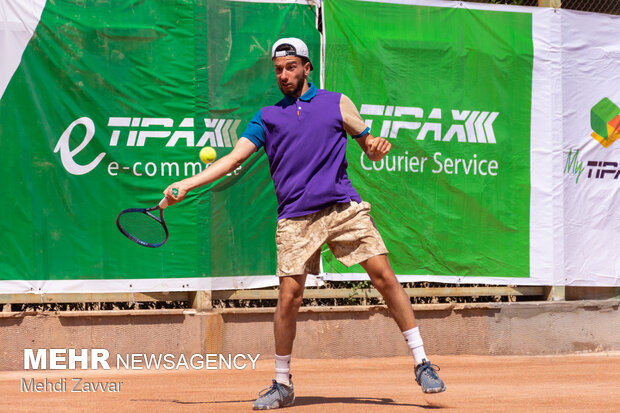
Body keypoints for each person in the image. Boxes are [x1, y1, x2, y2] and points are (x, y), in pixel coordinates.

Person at [163, 37, 445, 410]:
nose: (284, 75)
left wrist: (375, 147)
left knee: (384, 276)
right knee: (289, 298)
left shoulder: (336, 102)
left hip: (342, 208)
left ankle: (422, 362)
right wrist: (186, 183)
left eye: (291, 67)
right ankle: (282, 383)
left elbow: (369, 144)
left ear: (307, 68)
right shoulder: (267, 117)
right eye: (278, 69)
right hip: (295, 217)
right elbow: (232, 159)